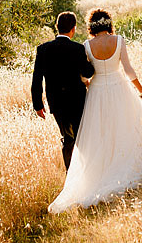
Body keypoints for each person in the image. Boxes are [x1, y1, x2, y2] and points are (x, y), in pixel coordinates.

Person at [48, 8, 142, 213]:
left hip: (97, 91)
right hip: (119, 88)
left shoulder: (86, 46)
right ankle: (121, 167)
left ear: (91, 26)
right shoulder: (119, 41)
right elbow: (128, 69)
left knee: (100, 133)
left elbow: (83, 73)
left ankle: (102, 172)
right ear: (108, 23)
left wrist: (87, 82)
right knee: (124, 129)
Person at [31, 11, 96, 170]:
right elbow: (88, 72)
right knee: (82, 137)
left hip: (56, 102)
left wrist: (38, 105)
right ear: (73, 29)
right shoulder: (78, 49)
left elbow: (37, 79)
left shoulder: (43, 49)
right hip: (78, 100)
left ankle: (70, 173)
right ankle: (86, 171)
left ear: (57, 27)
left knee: (67, 138)